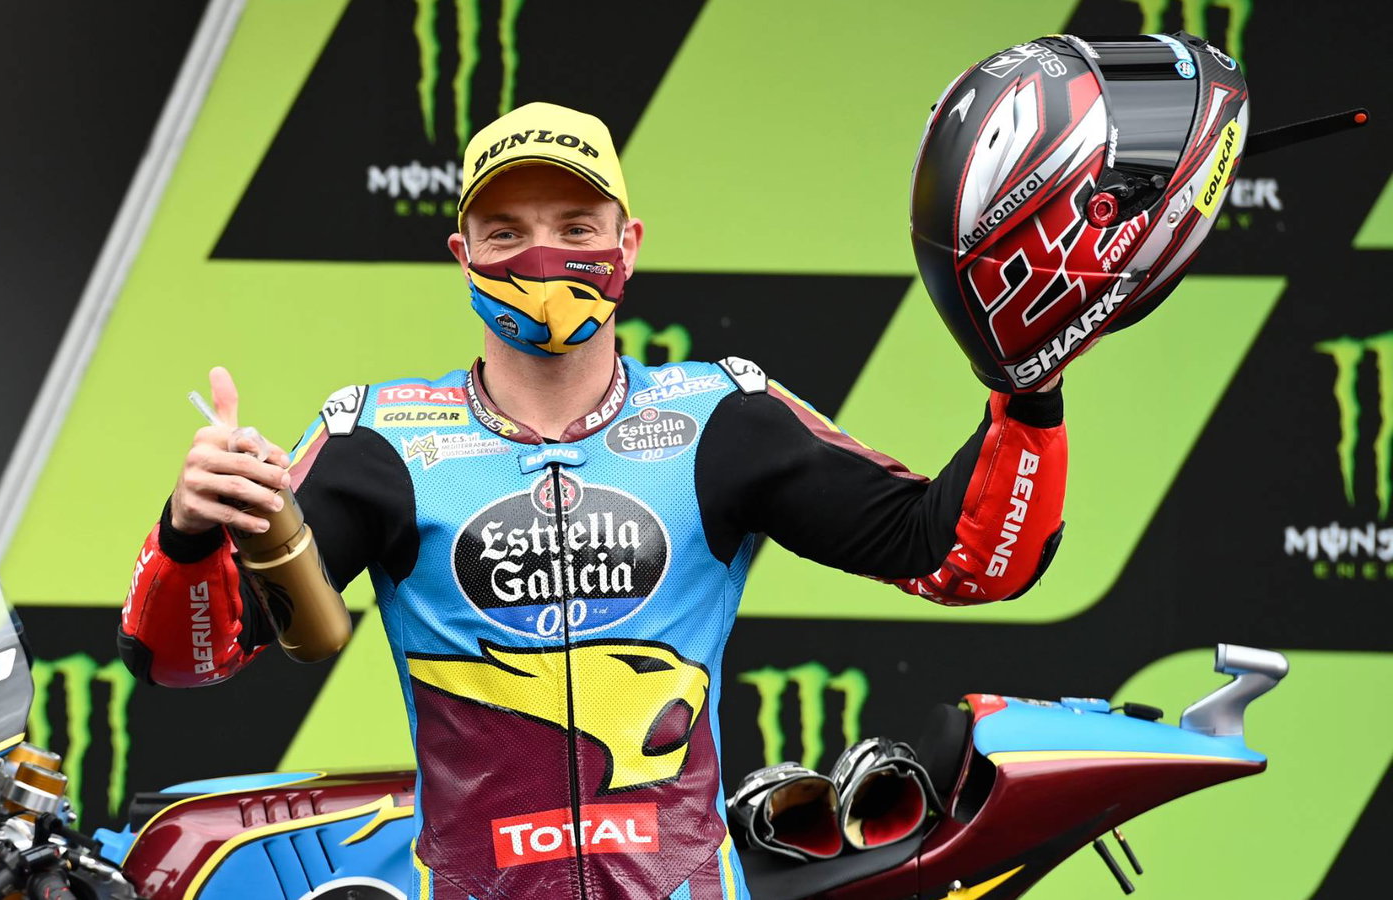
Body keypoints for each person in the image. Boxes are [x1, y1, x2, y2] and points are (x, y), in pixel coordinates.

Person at [118, 102, 1067, 900]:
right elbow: (186, 659)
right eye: (506, 233)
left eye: (576, 228)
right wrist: (189, 530)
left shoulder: (721, 418)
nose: (542, 256)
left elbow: (961, 556)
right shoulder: (379, 440)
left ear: (628, 244)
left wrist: (1027, 388)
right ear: (462, 254)